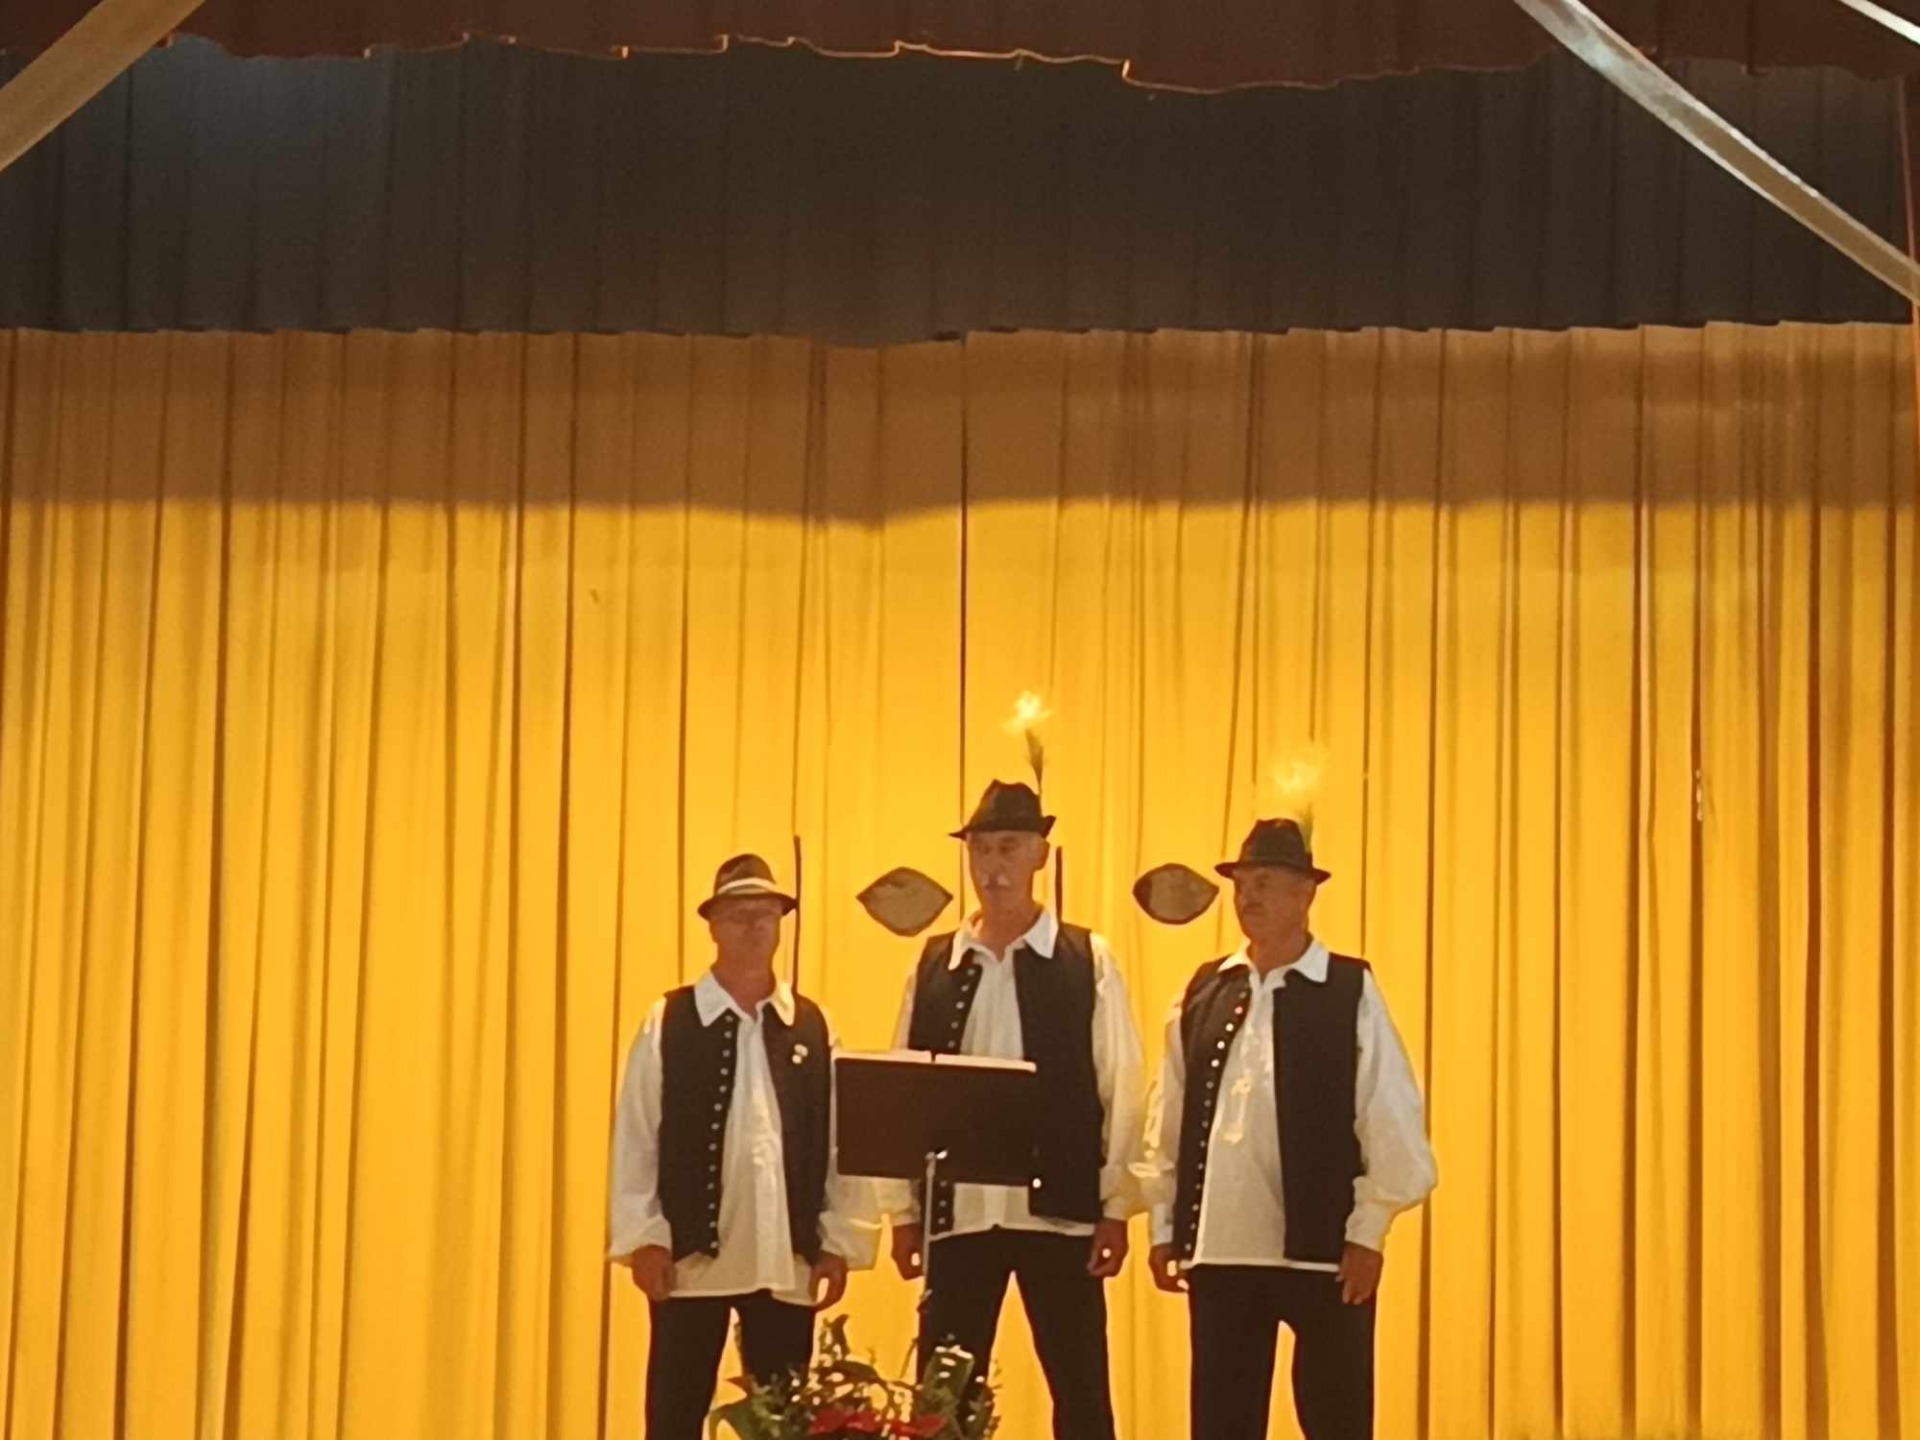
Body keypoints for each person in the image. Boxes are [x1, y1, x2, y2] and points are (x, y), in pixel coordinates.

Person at [1142, 819, 1437, 1440]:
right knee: (1222, 1425)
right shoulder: (1205, 990)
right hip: (1220, 1251)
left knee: (1336, 1421)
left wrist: (1368, 1232)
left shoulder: (1347, 988)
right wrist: (1167, 1226)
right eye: (1242, 884)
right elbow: (1168, 1114)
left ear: (1305, 893)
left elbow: (1388, 1110)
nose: (1248, 897)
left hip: (1323, 1253)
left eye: (1265, 883)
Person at [881, 780, 1145, 1440]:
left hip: (1059, 1212)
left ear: (1039, 856)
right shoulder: (936, 962)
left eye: (1008, 848)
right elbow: (907, 1088)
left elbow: (1120, 1086)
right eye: (981, 850)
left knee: (1081, 1391)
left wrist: (1116, 1206)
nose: (992, 867)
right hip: (960, 1214)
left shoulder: (1087, 959)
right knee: (944, 1401)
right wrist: (905, 1213)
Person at [608, 854, 875, 1440]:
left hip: (785, 1258)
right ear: (712, 925)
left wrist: (838, 1240)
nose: (753, 926)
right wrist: (644, 1236)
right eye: (738, 915)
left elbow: (840, 1141)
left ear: (781, 924)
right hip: (690, 1263)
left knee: (783, 1423)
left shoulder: (813, 1026)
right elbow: (637, 1135)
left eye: (765, 914)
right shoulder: (670, 1020)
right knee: (673, 1417)